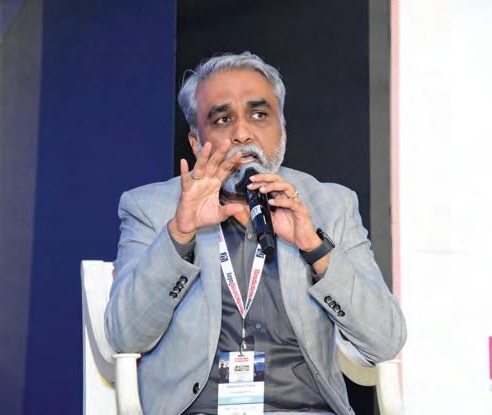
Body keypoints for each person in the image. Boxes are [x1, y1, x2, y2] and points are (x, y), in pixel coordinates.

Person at [105, 52, 406, 415]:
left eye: (259, 115)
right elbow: (124, 335)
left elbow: (386, 341)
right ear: (197, 142)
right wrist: (180, 234)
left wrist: (315, 248)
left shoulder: (331, 205)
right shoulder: (151, 207)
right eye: (223, 119)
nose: (242, 133)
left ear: (282, 130)